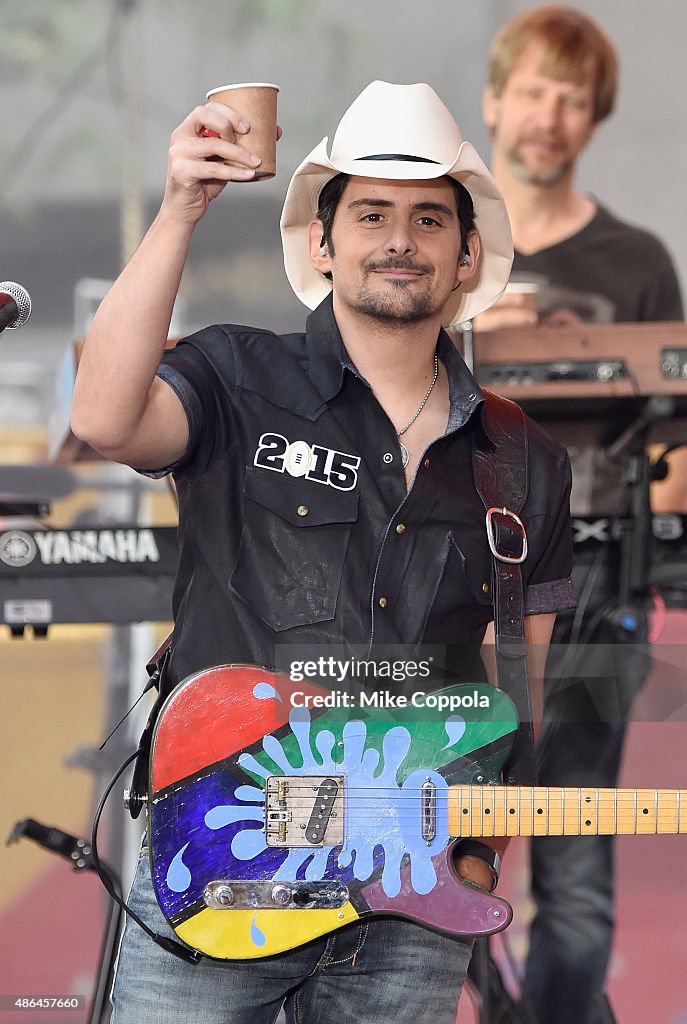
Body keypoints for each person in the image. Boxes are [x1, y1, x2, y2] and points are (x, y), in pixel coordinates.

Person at [71, 80, 575, 1024]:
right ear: (323, 240)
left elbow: (522, 696)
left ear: (466, 255)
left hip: (410, 904)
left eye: (430, 218)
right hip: (218, 870)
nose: (399, 239)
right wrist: (182, 206)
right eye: (371, 213)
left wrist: (475, 858)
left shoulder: (525, 459)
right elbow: (103, 419)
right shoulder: (232, 374)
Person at [475, 8, 684, 1024]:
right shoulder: (443, 247)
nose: (550, 115)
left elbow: (671, 441)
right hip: (445, 576)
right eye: (534, 91)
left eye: (573, 98)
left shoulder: (637, 258)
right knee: (431, 841)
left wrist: (654, 550)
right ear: (494, 100)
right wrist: (473, 337)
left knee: (574, 859)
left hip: (600, 582)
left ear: (592, 121)